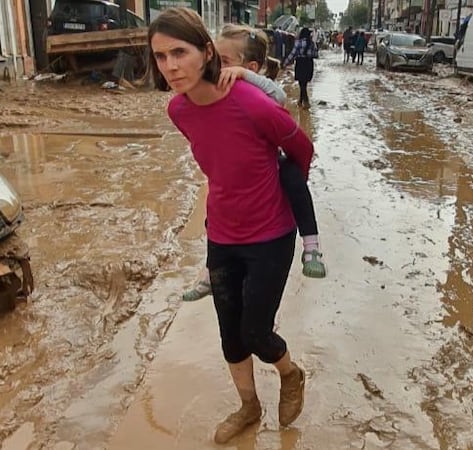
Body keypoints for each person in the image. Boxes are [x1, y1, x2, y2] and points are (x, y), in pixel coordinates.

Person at [148, 7, 309, 444]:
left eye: (179, 52)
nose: (171, 66)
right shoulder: (177, 110)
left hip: (271, 234)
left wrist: (291, 202)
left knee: (255, 331)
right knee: (229, 334)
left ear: (205, 52)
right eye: (160, 57)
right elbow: (217, 162)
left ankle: (291, 374)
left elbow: (301, 149)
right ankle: (249, 407)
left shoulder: (253, 103)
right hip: (222, 234)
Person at [182, 24, 327, 302]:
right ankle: (209, 272)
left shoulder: (254, 86)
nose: (217, 67)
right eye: (214, 59)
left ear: (251, 66)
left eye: (224, 62)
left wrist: (243, 75)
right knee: (217, 203)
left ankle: (311, 246)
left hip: (269, 160)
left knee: (294, 180)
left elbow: (280, 97)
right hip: (233, 169)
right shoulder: (209, 91)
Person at [282, 27, 317, 109]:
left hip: (300, 63)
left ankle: (306, 101)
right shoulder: (312, 43)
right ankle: (300, 101)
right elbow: (316, 54)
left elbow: (292, 54)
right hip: (309, 63)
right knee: (304, 83)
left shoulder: (298, 42)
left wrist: (285, 63)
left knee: (301, 83)